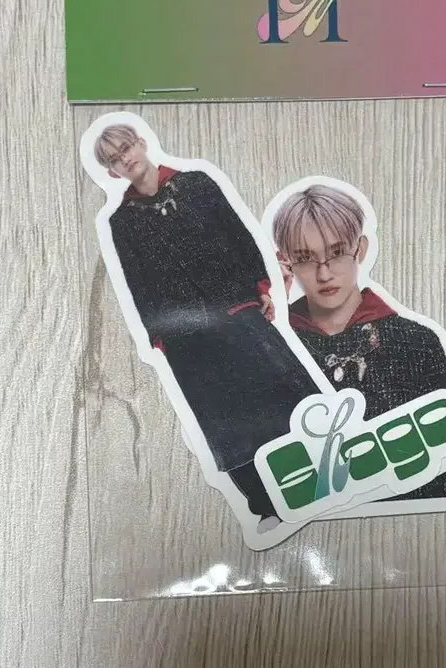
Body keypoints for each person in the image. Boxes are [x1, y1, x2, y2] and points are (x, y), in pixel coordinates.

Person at [93, 123, 322, 533]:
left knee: (280, 388)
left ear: (142, 143)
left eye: (126, 147)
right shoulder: (121, 222)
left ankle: (327, 465)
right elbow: (136, 281)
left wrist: (261, 287)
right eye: (115, 159)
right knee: (224, 419)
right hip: (185, 338)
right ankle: (265, 505)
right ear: (112, 171)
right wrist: (160, 336)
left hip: (236, 308)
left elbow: (238, 235)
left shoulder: (197, 183)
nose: (125, 158)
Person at [271, 183, 446, 502]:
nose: (324, 274)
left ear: (360, 249)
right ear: (285, 263)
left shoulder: (416, 342)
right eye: (306, 258)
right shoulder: (276, 349)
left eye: (337, 253)